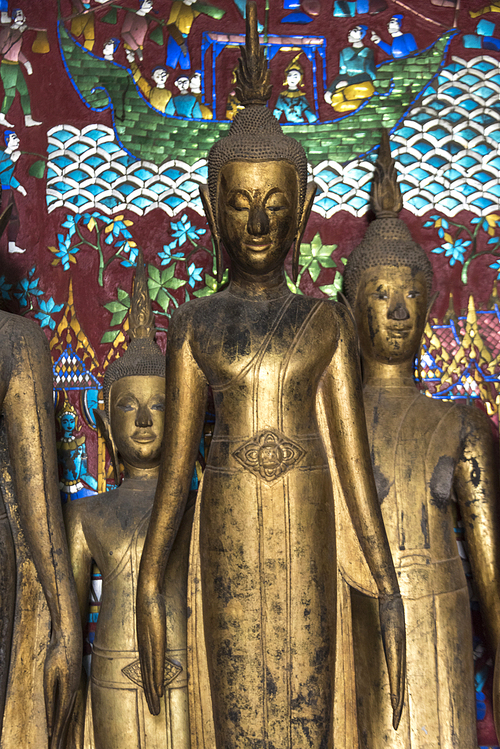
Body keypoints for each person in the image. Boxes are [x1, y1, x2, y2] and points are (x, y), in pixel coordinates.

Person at [137, 5, 405, 749]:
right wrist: (148, 582)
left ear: (304, 212)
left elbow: (355, 471)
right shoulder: (194, 324)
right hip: (225, 522)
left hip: (309, 519)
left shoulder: (326, 323)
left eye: (275, 206)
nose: (258, 224)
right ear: (210, 210)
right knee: (237, 709)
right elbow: (174, 479)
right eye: (242, 205)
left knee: (305, 705)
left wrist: (386, 588)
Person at [340, 130, 500, 748]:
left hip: (443, 614)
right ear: (353, 309)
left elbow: (489, 569)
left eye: (410, 294)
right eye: (381, 295)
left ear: (430, 306)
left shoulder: (460, 423)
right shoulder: (335, 424)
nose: (399, 310)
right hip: (363, 614)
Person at [64, 251, 193, 749]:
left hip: (185, 668)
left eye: (160, 404)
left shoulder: (198, 506)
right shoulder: (86, 514)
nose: (143, 420)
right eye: (128, 406)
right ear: (105, 424)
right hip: (113, 672)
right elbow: (70, 632)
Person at [0, 201, 81, 749]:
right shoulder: (13, 341)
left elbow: (37, 497)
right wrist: (67, 624)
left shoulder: (14, 340)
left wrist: (66, 621)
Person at [0, 8, 41, 127]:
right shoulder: (7, 31)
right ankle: (1, 116)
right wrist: (13, 32)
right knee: (10, 94)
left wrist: (26, 63)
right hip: (7, 66)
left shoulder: (18, 33)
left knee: (24, 92)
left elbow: (17, 52)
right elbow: (3, 49)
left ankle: (28, 119)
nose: (21, 17)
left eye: (22, 15)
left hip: (15, 65)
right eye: (18, 15)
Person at [325, 25, 376, 113]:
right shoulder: (344, 52)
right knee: (337, 102)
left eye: (354, 31)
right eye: (350, 31)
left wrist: (348, 82)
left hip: (363, 85)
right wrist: (330, 90)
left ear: (362, 34)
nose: (349, 33)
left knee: (350, 93)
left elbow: (370, 75)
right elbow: (342, 73)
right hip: (346, 84)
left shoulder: (368, 52)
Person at [56, 400, 97, 503]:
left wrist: (95, 484)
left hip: (78, 486)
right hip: (61, 487)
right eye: (65, 421)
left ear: (75, 422)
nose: (69, 424)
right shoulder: (57, 445)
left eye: (71, 421)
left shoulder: (80, 443)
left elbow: (83, 470)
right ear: (60, 423)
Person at [0, 130, 26, 255]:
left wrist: (19, 187)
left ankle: (11, 245)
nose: (18, 140)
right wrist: (12, 160)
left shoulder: (9, 157)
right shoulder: (1, 155)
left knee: (14, 217)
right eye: (14, 138)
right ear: (6, 140)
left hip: (7, 191)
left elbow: (8, 176)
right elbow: (2, 170)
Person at [273, 53, 317, 124]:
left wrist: (312, 119)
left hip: (299, 122)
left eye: (295, 76)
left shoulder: (300, 96)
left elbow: (306, 109)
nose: (292, 79)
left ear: (300, 79)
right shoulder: (282, 96)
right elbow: (277, 111)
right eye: (290, 76)